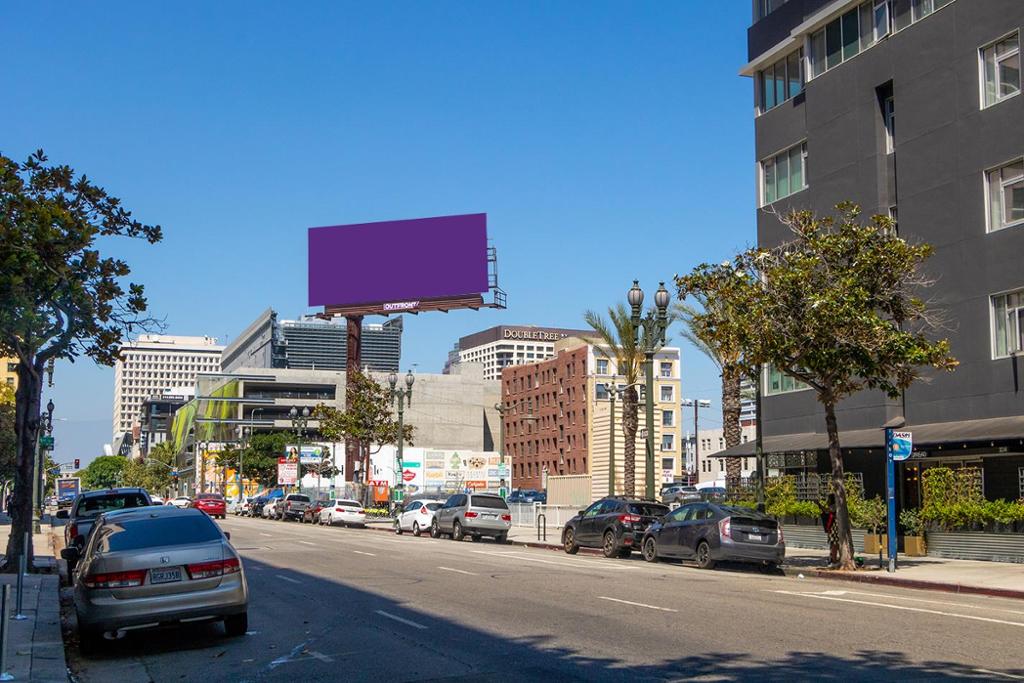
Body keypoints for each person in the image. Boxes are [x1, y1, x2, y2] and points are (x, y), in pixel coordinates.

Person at [819, 493, 839, 567]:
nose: (827, 500)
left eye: (829, 499)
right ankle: (833, 559)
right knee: (833, 544)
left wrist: (818, 504)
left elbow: (827, 510)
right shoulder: (835, 506)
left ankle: (834, 561)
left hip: (834, 527)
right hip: (832, 527)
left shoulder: (834, 506)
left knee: (834, 543)